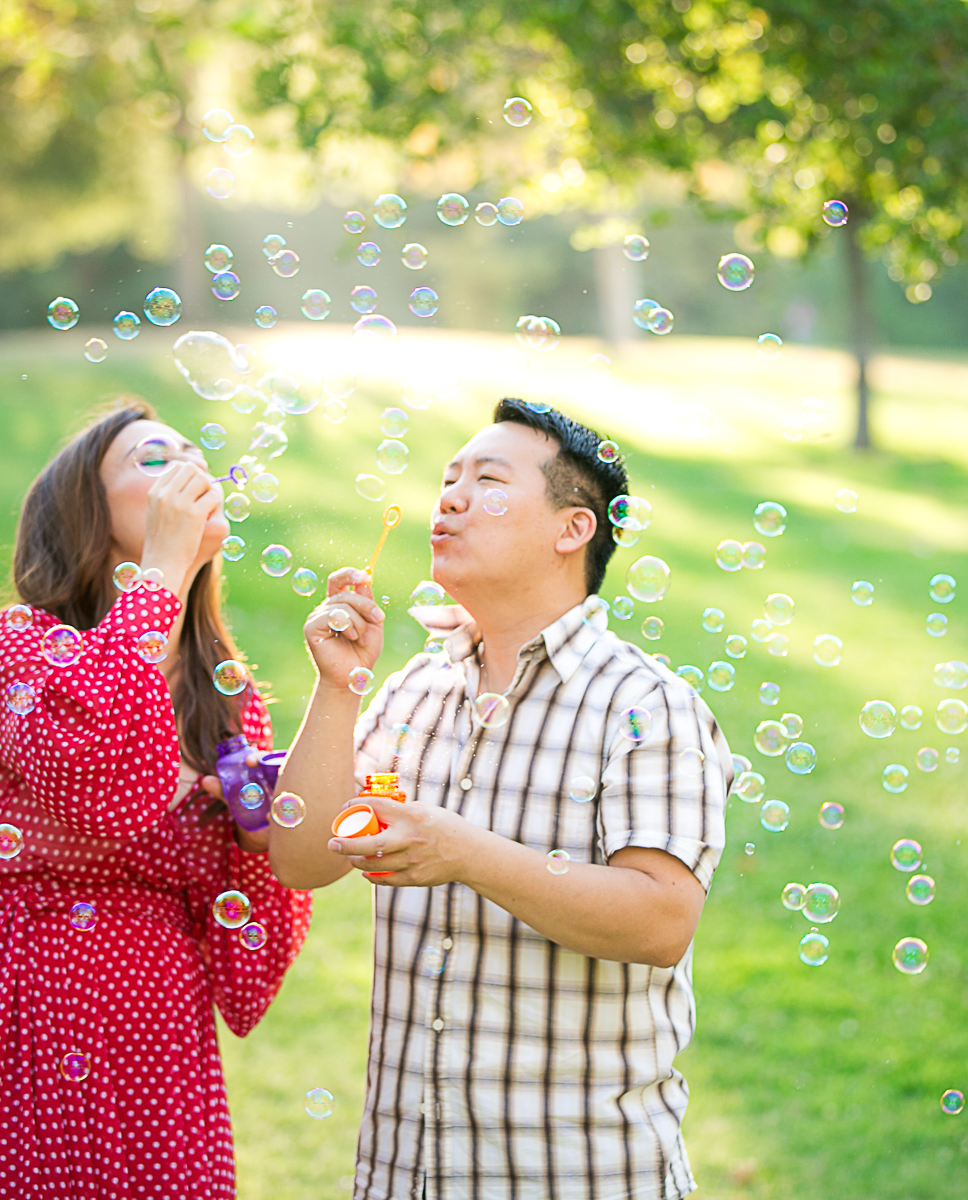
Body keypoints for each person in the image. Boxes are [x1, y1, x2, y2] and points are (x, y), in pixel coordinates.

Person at [269, 398, 732, 1200]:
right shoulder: (417, 689)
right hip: (406, 1170)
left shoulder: (646, 704)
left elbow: (661, 921)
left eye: (485, 480)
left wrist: (462, 852)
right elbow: (303, 857)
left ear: (572, 529)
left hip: (572, 1173)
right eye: (447, 478)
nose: (447, 498)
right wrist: (338, 688)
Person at [0, 401, 312, 1199]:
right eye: (154, 458)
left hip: (158, 1029)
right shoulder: (13, 646)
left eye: (194, 452)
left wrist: (256, 843)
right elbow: (91, 779)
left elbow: (246, 970)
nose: (188, 468)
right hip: (20, 1005)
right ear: (87, 513)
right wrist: (160, 576)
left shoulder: (225, 699)